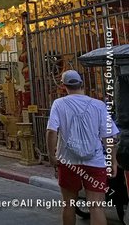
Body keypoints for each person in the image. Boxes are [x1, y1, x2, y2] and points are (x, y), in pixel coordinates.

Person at [46, 70, 118, 225]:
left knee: (68, 204)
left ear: (63, 86)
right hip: (95, 162)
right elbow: (108, 137)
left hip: (68, 162)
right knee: (97, 207)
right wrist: (112, 161)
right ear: (82, 84)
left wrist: (52, 156)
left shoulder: (59, 104)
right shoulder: (98, 105)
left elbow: (51, 131)